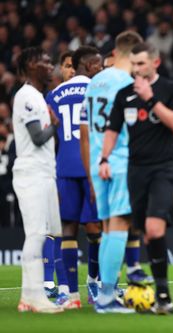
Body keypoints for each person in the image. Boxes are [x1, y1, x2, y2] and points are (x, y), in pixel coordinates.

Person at [101, 42, 173, 314]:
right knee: (146, 234)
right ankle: (159, 294)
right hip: (135, 170)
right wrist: (104, 158)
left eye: (141, 64)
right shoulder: (124, 94)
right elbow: (113, 130)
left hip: (163, 167)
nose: (135, 69)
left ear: (155, 63)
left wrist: (150, 99)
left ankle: (164, 296)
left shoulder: (170, 89)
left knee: (154, 228)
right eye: (133, 64)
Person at [80, 31, 143, 314]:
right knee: (118, 226)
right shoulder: (129, 84)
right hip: (119, 159)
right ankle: (106, 297)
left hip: (96, 161)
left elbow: (84, 129)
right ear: (133, 55)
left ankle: (105, 295)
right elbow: (133, 127)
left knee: (107, 228)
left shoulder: (94, 83)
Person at [45, 46, 103, 309]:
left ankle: (70, 294)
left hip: (64, 167)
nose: (100, 69)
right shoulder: (98, 88)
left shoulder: (54, 93)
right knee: (95, 229)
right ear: (89, 65)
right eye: (98, 64)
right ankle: (96, 285)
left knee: (67, 229)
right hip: (90, 166)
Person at [13, 46, 63, 313]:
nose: (50, 65)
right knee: (35, 234)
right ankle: (34, 297)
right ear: (31, 65)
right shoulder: (27, 96)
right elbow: (37, 137)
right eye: (45, 61)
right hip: (31, 173)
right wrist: (55, 124)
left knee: (43, 234)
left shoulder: (37, 96)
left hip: (43, 173)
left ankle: (27, 297)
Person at [42, 50, 75, 301]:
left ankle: (99, 284)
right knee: (55, 227)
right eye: (67, 66)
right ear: (60, 70)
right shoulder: (51, 98)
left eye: (75, 66)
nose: (71, 70)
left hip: (84, 169)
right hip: (57, 169)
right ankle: (49, 281)